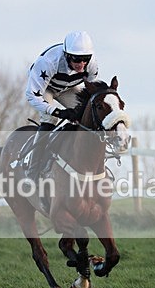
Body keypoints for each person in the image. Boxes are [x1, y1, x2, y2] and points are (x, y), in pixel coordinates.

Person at [24, 30, 100, 180]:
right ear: (66, 55)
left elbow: (89, 92)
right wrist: (58, 112)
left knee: (87, 113)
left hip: (67, 88)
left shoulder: (92, 66)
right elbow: (32, 96)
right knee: (50, 119)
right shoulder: (48, 63)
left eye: (85, 59)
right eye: (77, 60)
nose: (82, 64)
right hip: (45, 88)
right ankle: (33, 169)